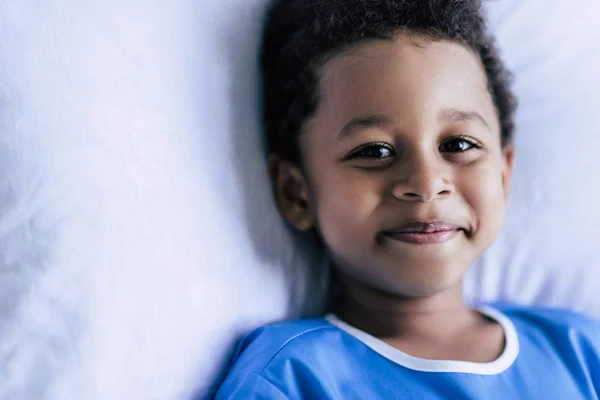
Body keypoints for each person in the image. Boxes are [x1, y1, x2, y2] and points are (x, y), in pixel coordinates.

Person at [214, 0, 600, 398]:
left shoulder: (581, 351)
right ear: (297, 193)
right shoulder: (290, 379)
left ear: (503, 175)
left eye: (458, 143)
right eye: (375, 152)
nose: (427, 182)